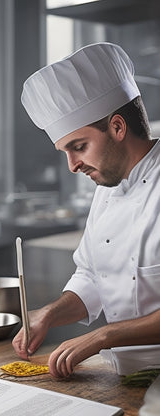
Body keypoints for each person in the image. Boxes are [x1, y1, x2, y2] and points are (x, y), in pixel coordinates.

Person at [13, 42, 160, 378]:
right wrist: (49, 313)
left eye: (78, 147)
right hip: (121, 379)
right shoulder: (107, 188)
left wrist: (104, 336)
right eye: (65, 151)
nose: (72, 165)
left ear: (118, 127)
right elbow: (94, 275)